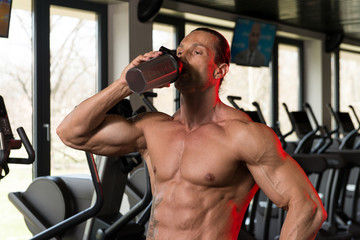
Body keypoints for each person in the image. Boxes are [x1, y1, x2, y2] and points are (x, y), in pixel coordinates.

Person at [57, 27, 327, 240]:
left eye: (196, 53)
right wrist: (124, 84)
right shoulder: (152, 127)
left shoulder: (242, 135)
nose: (182, 58)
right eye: (180, 52)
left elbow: (308, 209)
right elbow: (71, 133)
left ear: (219, 70)